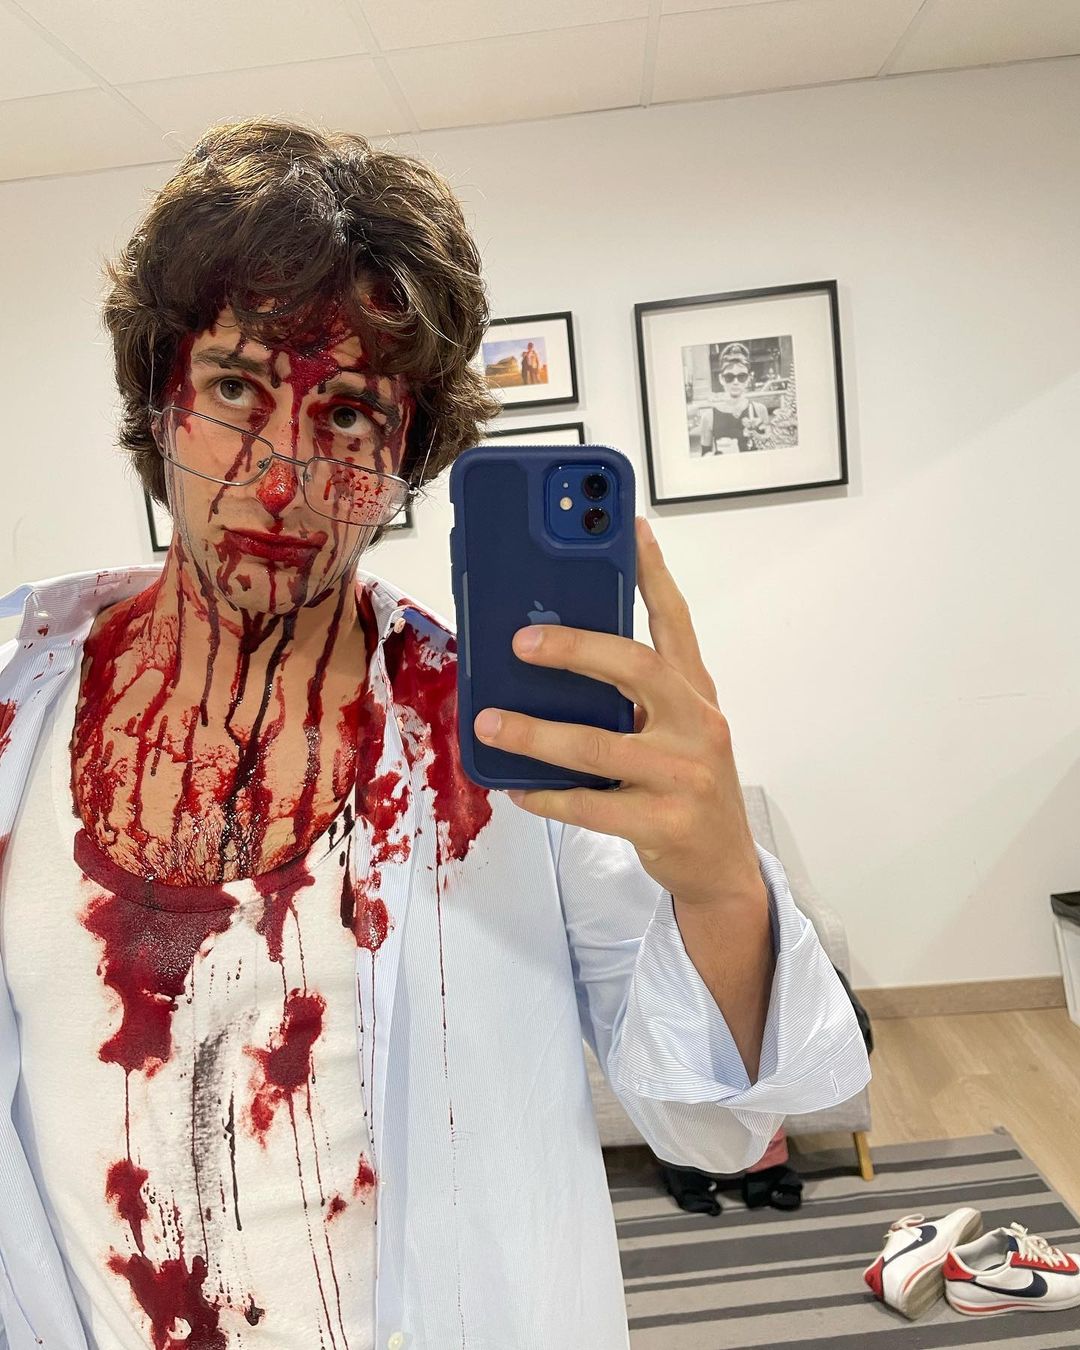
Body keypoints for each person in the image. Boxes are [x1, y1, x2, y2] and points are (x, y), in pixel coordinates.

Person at [0, 118, 871, 1349]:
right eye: (237, 387)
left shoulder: (501, 738)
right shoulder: (19, 709)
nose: (284, 477)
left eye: (350, 412)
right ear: (159, 398)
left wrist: (723, 881)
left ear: (409, 450)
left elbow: (717, 1125)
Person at [698, 342, 772, 454]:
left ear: (748, 379)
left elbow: (768, 451)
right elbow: (704, 457)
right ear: (721, 379)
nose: (736, 382)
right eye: (729, 377)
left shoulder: (760, 410)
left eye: (742, 376)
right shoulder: (709, 417)